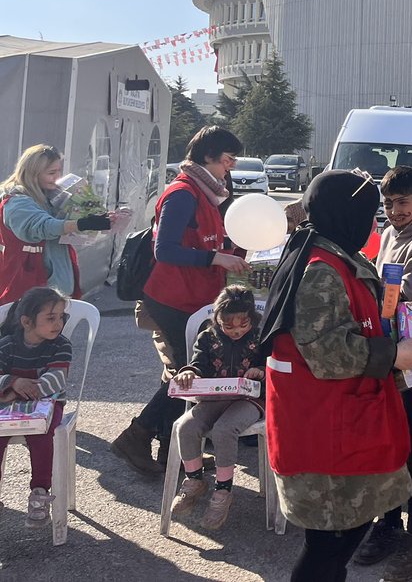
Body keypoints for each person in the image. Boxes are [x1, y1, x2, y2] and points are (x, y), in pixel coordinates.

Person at [260, 170, 412, 582]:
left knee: (336, 543)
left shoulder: (332, 251)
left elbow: (362, 307)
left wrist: (403, 312)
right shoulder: (321, 268)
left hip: (338, 424)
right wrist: (393, 356)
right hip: (327, 432)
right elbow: (327, 352)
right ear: (346, 213)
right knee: (328, 547)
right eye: (372, 213)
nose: (376, 223)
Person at [111, 126, 251, 477]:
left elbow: (208, 242)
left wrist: (235, 251)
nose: (229, 169)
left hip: (194, 299)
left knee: (185, 370)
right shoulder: (183, 193)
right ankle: (139, 435)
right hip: (171, 299)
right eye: (226, 161)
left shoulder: (208, 194)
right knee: (186, 372)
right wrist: (215, 260)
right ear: (208, 157)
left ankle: (168, 449)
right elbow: (166, 250)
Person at [353, 166, 412, 579]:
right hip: (389, 353)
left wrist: (353, 287)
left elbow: (396, 296)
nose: (395, 211)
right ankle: (389, 523)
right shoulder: (390, 234)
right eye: (389, 204)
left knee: (410, 442)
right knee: (386, 440)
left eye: (403, 203)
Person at [168, 285, 266, 531]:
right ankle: (194, 480)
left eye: (242, 324)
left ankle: (223, 491)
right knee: (186, 426)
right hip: (214, 399)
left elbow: (269, 362)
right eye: (228, 325)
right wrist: (189, 372)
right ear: (217, 319)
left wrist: (260, 372)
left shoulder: (260, 336)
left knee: (224, 430)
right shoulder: (208, 337)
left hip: (249, 401)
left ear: (251, 319)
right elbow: (197, 363)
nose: (236, 331)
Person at [1, 144, 111, 304]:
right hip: (29, 292)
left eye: (59, 171)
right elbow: (42, 227)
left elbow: (67, 221)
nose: (57, 177)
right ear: (32, 174)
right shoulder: (17, 202)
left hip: (49, 292)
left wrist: (102, 218)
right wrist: (82, 223)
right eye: (51, 173)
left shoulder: (48, 196)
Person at [0, 286, 71, 527]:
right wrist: (12, 383)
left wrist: (31, 389)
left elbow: (58, 377)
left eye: (61, 317)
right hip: (6, 404)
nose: (58, 324)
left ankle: (40, 491)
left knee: (41, 435)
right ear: (27, 322)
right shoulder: (7, 345)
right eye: (51, 318)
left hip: (48, 402)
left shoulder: (61, 345)